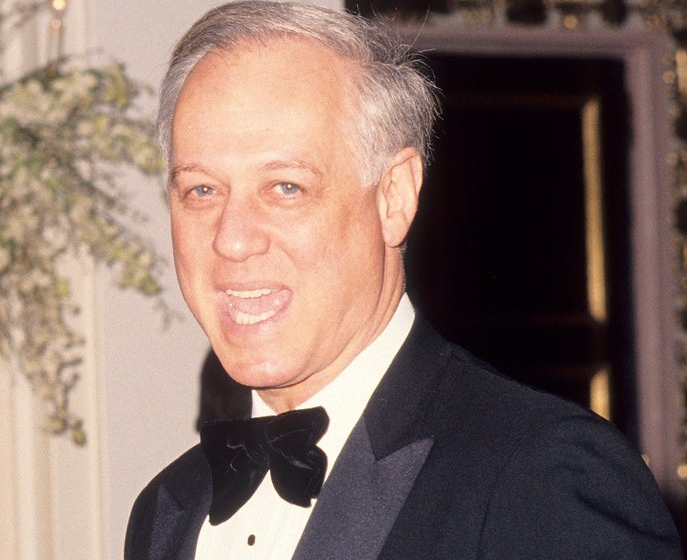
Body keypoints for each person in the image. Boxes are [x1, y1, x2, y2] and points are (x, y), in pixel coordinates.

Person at [125, 2, 683, 558]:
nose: (233, 239)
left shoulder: (539, 476)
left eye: (285, 187)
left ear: (394, 196)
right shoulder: (166, 510)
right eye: (201, 190)